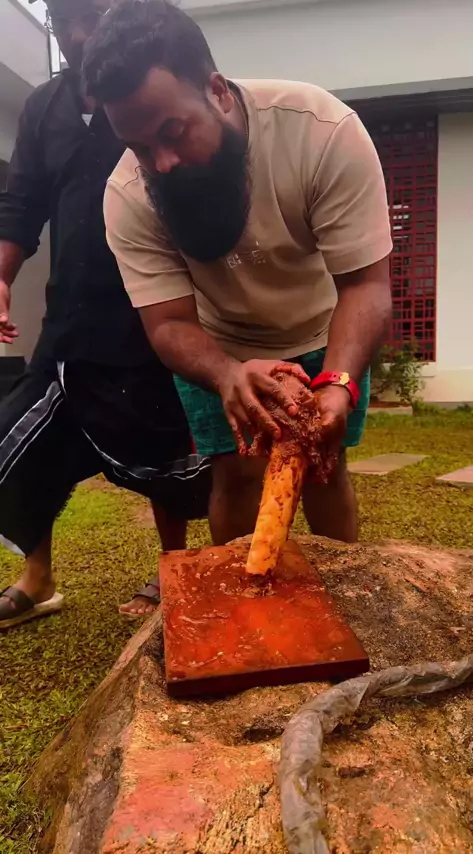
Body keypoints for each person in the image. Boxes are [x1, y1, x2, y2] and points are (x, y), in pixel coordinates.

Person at [83, 0, 393, 547]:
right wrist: (228, 374)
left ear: (217, 91)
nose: (161, 162)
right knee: (235, 474)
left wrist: (339, 384)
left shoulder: (322, 132)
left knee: (325, 468)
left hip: (327, 327)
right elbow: (168, 323)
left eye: (174, 132)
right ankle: (242, 593)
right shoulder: (128, 195)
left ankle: (342, 590)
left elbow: (365, 285)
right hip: (219, 341)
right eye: (139, 146)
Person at [0, 0, 210, 630]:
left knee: (163, 444)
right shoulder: (45, 107)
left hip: (154, 311)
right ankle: (37, 577)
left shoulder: (154, 88)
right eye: (61, 19)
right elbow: (21, 203)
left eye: (89, 15)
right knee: (22, 439)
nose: (77, 34)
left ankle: (173, 569)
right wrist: (2, 277)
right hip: (68, 316)